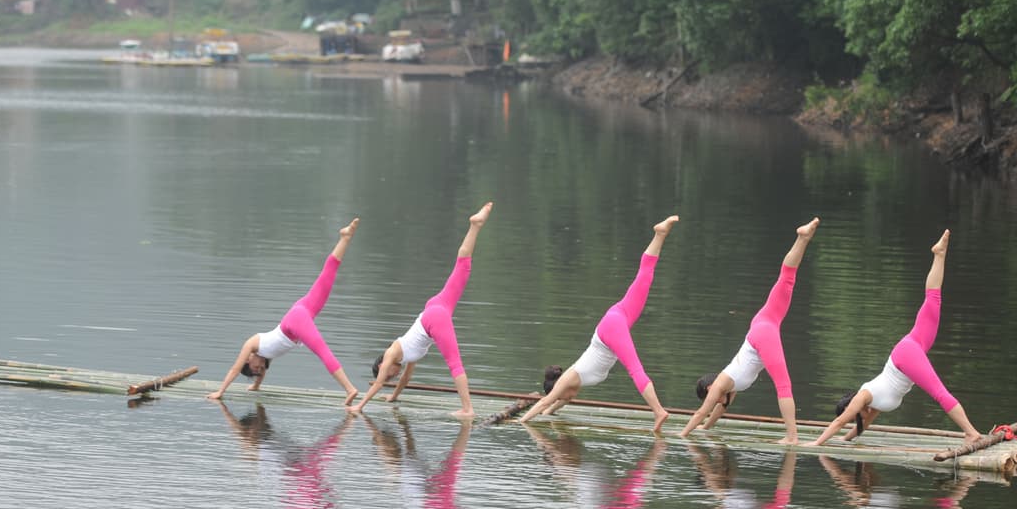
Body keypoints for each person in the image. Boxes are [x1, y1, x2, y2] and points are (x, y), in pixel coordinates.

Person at [802, 229, 984, 446]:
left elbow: (840, 421)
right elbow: (859, 429)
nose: (855, 420)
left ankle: (971, 433)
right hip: (913, 347)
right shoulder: (872, 407)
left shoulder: (864, 396)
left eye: (854, 416)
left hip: (905, 356)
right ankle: (940, 254)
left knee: (939, 393)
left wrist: (816, 444)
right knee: (933, 300)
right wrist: (843, 440)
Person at [520, 216, 679, 433]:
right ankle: (660, 234)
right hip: (618, 317)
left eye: (561, 396)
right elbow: (551, 407)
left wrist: (521, 422)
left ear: (559, 389)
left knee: (635, 369)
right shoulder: (572, 388)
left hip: (611, 329)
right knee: (644, 278)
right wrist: (548, 414)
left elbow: (545, 403)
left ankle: (659, 411)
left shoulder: (569, 379)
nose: (566, 400)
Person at [679, 218, 820, 443]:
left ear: (708, 387)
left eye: (711, 397)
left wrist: (681, 435)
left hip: (762, 334)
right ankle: (803, 238)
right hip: (765, 323)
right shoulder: (730, 388)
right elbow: (713, 415)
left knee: (784, 385)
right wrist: (704, 429)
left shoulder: (720, 385)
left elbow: (701, 412)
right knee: (787, 279)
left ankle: (792, 437)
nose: (715, 401)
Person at [350, 202, 492, 418]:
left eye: (388, 376)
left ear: (382, 366)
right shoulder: (406, 355)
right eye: (391, 380)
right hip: (436, 307)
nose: (392, 378)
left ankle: (467, 409)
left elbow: (378, 384)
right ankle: (475, 225)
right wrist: (394, 397)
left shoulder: (392, 353)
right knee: (462, 267)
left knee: (455, 363)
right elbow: (406, 379)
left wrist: (359, 407)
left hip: (434, 318)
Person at [207, 219, 361, 404]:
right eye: (258, 372)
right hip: (301, 311)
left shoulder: (252, 344)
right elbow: (261, 372)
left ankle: (350, 389)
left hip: (294, 321)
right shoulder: (264, 356)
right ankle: (345, 237)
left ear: (248, 360)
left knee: (322, 351)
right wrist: (256, 386)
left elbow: (234, 369)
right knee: (327, 276)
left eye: (254, 369)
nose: (258, 370)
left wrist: (220, 392)